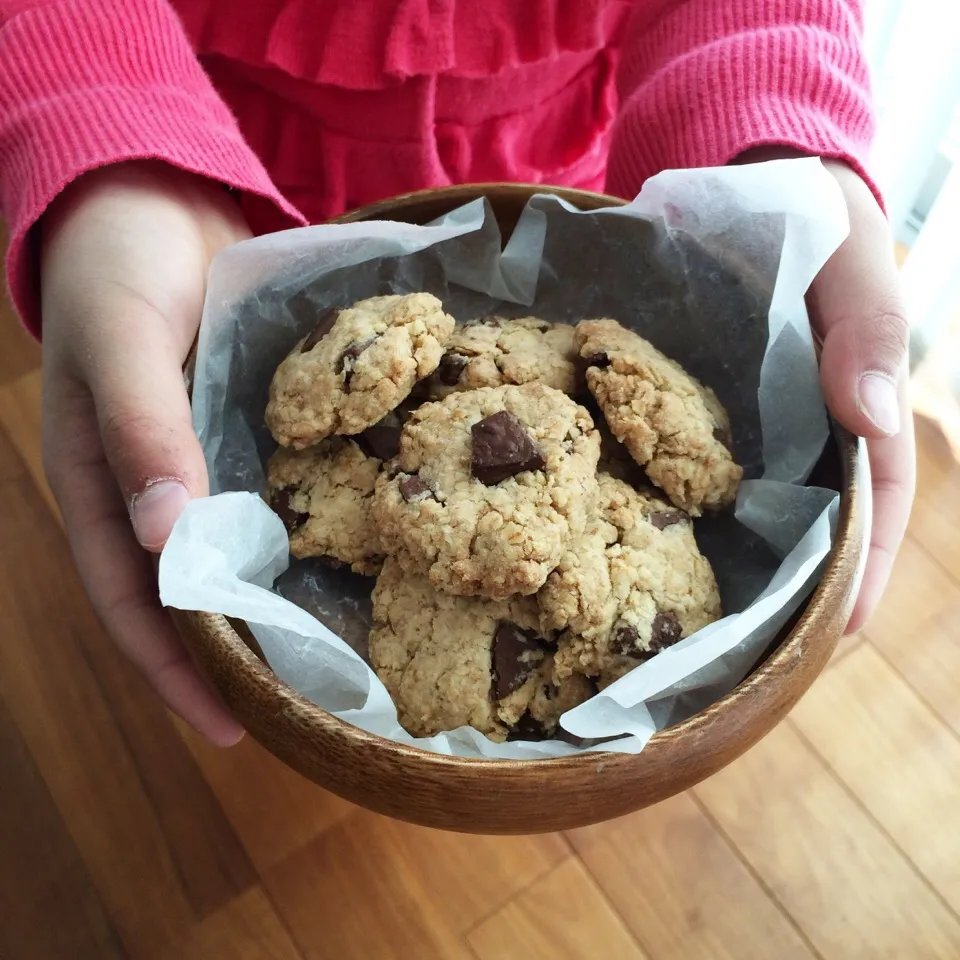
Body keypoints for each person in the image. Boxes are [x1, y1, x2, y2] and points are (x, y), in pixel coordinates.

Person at [0, 0, 914, 746]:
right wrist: (100, 131)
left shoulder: (555, 397)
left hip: (575, 200)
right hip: (225, 199)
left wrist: (757, 162)